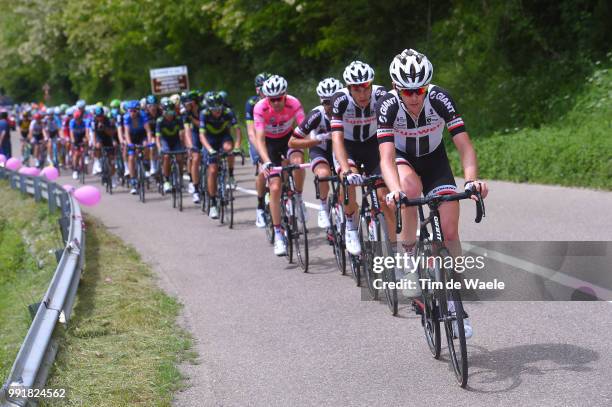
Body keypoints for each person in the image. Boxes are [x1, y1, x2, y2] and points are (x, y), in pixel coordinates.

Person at [377, 49, 489, 338]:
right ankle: (408, 256)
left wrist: (472, 182)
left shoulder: (440, 98)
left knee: (450, 234)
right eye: (408, 91)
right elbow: (386, 158)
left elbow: (464, 145)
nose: (414, 97)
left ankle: (456, 302)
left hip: (435, 160)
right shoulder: (388, 105)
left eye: (420, 90)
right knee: (410, 190)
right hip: (404, 160)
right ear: (395, 88)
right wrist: (395, 191)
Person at [330, 60, 392, 256]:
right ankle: (350, 225)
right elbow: (337, 139)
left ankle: (395, 249)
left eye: (366, 88)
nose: (363, 94)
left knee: (384, 196)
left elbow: (392, 131)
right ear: (349, 89)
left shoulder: (381, 95)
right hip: (348, 146)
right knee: (348, 179)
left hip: (373, 144)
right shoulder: (340, 100)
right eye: (357, 90)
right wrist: (345, 169)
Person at [254, 75, 306, 256]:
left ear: (285, 95)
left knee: (298, 162)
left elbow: (304, 128)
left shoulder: (294, 103)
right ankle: (278, 234)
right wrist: (266, 160)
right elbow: (259, 139)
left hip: (288, 139)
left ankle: (298, 197)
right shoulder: (260, 107)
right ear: (267, 98)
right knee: (275, 187)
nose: (276, 103)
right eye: (272, 99)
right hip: (269, 144)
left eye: (279, 98)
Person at [289, 78, 343, 228]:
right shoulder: (316, 115)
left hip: (341, 151)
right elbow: (292, 142)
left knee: (346, 180)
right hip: (320, 149)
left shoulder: (348, 111)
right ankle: (323, 207)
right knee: (323, 175)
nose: (330, 106)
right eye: (326, 102)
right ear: (321, 101)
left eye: (334, 101)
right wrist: (317, 140)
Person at [199, 93, 242, 219]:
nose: (217, 112)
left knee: (229, 149)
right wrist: (209, 149)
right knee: (212, 170)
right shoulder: (204, 114)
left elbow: (237, 130)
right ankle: (212, 203)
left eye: (219, 109)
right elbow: (201, 135)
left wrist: (238, 146)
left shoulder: (228, 112)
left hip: (224, 136)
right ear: (209, 109)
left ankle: (230, 173)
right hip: (209, 139)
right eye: (214, 110)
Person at [245, 72, 271, 227]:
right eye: (264, 88)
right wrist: (260, 151)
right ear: (257, 90)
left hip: (274, 137)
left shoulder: (277, 100)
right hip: (257, 138)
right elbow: (250, 132)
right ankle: (260, 206)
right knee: (262, 170)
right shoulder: (251, 103)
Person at [155, 100, 186, 193]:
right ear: (163, 112)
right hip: (165, 141)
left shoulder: (178, 119)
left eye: (171, 112)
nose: (169, 115)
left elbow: (182, 134)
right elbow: (157, 137)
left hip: (176, 140)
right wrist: (159, 148)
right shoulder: (160, 121)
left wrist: (184, 146)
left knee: (180, 158)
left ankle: (180, 178)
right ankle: (167, 181)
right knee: (166, 156)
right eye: (167, 112)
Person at [123, 100, 153, 194]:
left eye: (134, 111)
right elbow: (126, 133)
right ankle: (133, 181)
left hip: (141, 135)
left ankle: (146, 162)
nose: (132, 113)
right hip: (132, 136)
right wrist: (129, 143)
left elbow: (148, 131)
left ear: (138, 110)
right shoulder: (126, 117)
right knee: (131, 158)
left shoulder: (143, 116)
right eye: (130, 110)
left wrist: (149, 142)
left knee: (146, 146)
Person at [90, 106, 118, 187]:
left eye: (101, 116)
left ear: (103, 115)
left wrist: (104, 127)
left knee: (111, 161)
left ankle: (113, 178)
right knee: (98, 146)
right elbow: (94, 134)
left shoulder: (108, 120)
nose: (99, 118)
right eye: (98, 116)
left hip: (108, 138)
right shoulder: (93, 122)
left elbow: (112, 133)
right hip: (99, 138)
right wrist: (94, 145)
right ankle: (98, 161)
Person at [69, 109, 89, 179]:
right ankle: (75, 170)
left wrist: (87, 138)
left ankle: (86, 154)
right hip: (76, 137)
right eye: (76, 119)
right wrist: (73, 140)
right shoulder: (72, 122)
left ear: (81, 118)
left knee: (86, 141)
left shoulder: (85, 122)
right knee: (76, 154)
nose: (77, 120)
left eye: (79, 119)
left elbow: (87, 132)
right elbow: (71, 132)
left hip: (82, 136)